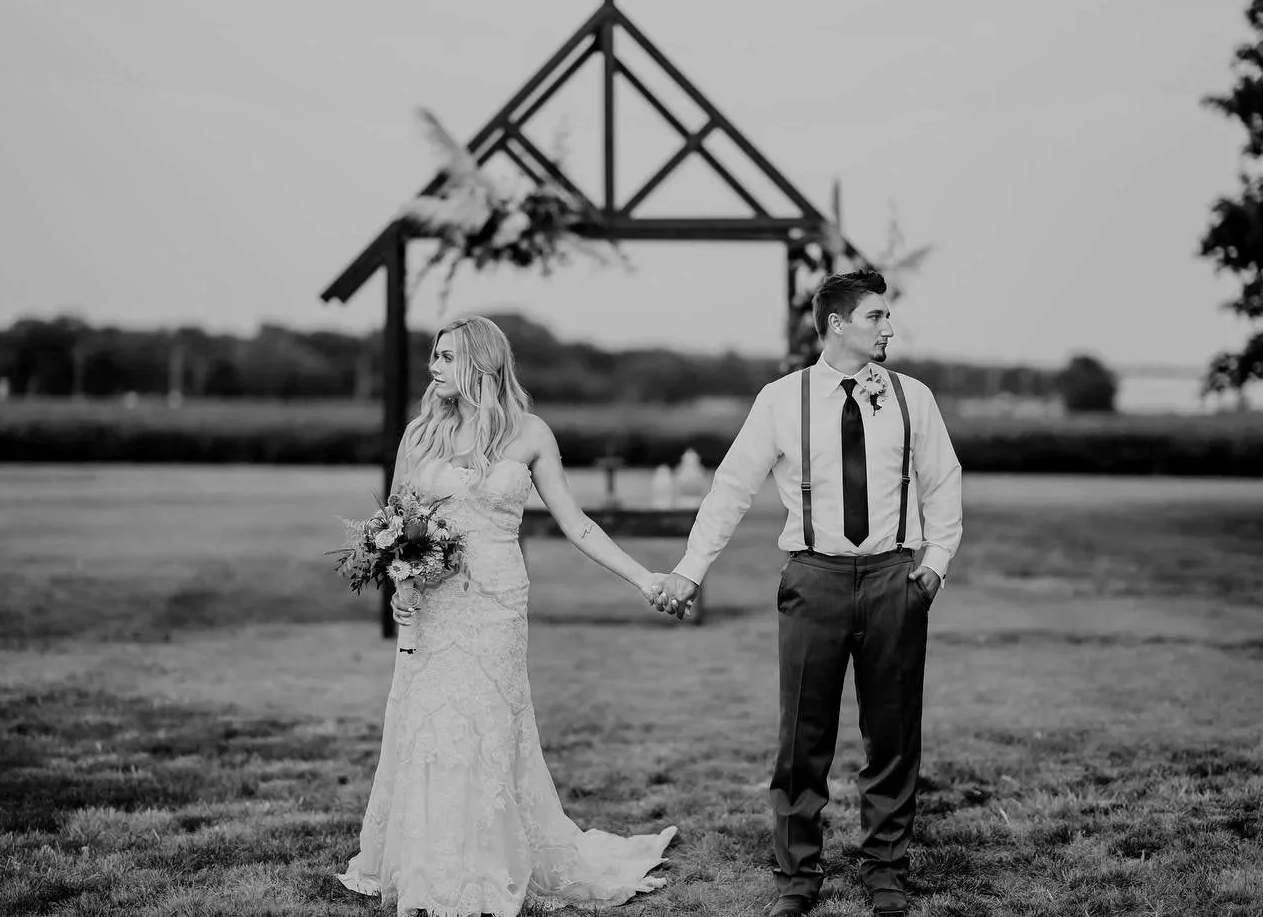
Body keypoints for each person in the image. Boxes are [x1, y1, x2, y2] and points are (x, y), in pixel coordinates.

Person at [336, 315, 675, 917]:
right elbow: (395, 521)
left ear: (481, 362)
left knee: (487, 727)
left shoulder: (530, 433)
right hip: (435, 606)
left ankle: (486, 866)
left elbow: (577, 523)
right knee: (430, 725)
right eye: (434, 356)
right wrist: (402, 580)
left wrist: (644, 577)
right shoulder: (420, 434)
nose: (434, 367)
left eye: (446, 356)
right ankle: (432, 865)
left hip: (497, 602)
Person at [651, 270, 962, 917]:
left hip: (894, 579)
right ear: (837, 324)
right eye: (876, 315)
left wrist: (933, 566)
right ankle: (797, 877)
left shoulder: (914, 398)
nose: (889, 327)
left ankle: (885, 870)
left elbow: (943, 483)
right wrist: (690, 569)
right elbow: (731, 488)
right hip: (813, 578)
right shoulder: (780, 399)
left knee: (894, 733)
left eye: (887, 316)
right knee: (801, 736)